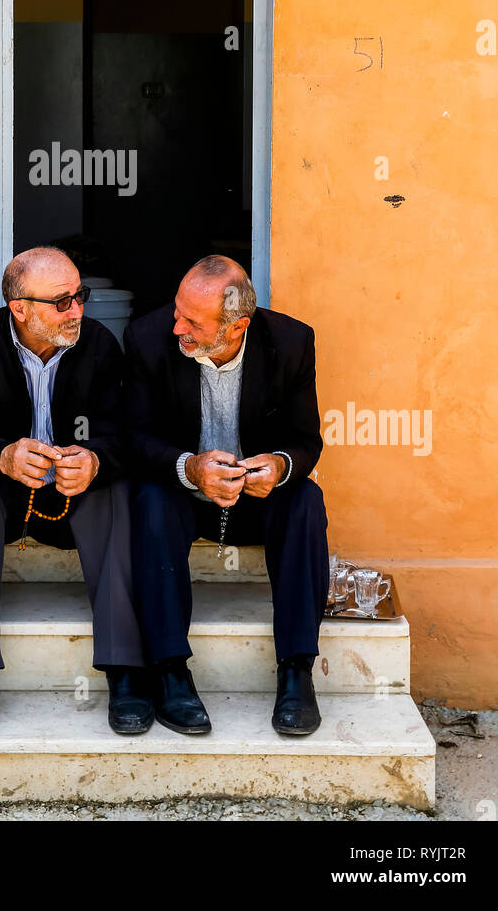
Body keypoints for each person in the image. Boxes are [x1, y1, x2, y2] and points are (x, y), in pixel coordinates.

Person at [0, 246, 151, 736]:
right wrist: (2, 457)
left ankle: (124, 668)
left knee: (113, 488)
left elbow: (126, 433)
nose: (77, 310)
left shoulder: (99, 346)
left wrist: (95, 457)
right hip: (7, 498)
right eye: (62, 302)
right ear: (20, 308)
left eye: (81, 296)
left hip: (75, 498)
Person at [125, 255, 329, 737]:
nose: (177, 326)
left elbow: (306, 440)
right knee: (150, 502)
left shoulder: (291, 342)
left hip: (255, 497)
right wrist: (190, 467)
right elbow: (133, 436)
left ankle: (297, 671)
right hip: (183, 492)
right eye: (177, 311)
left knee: (305, 502)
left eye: (192, 321)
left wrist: (278, 466)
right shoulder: (148, 338)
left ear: (237, 326)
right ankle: (170, 670)